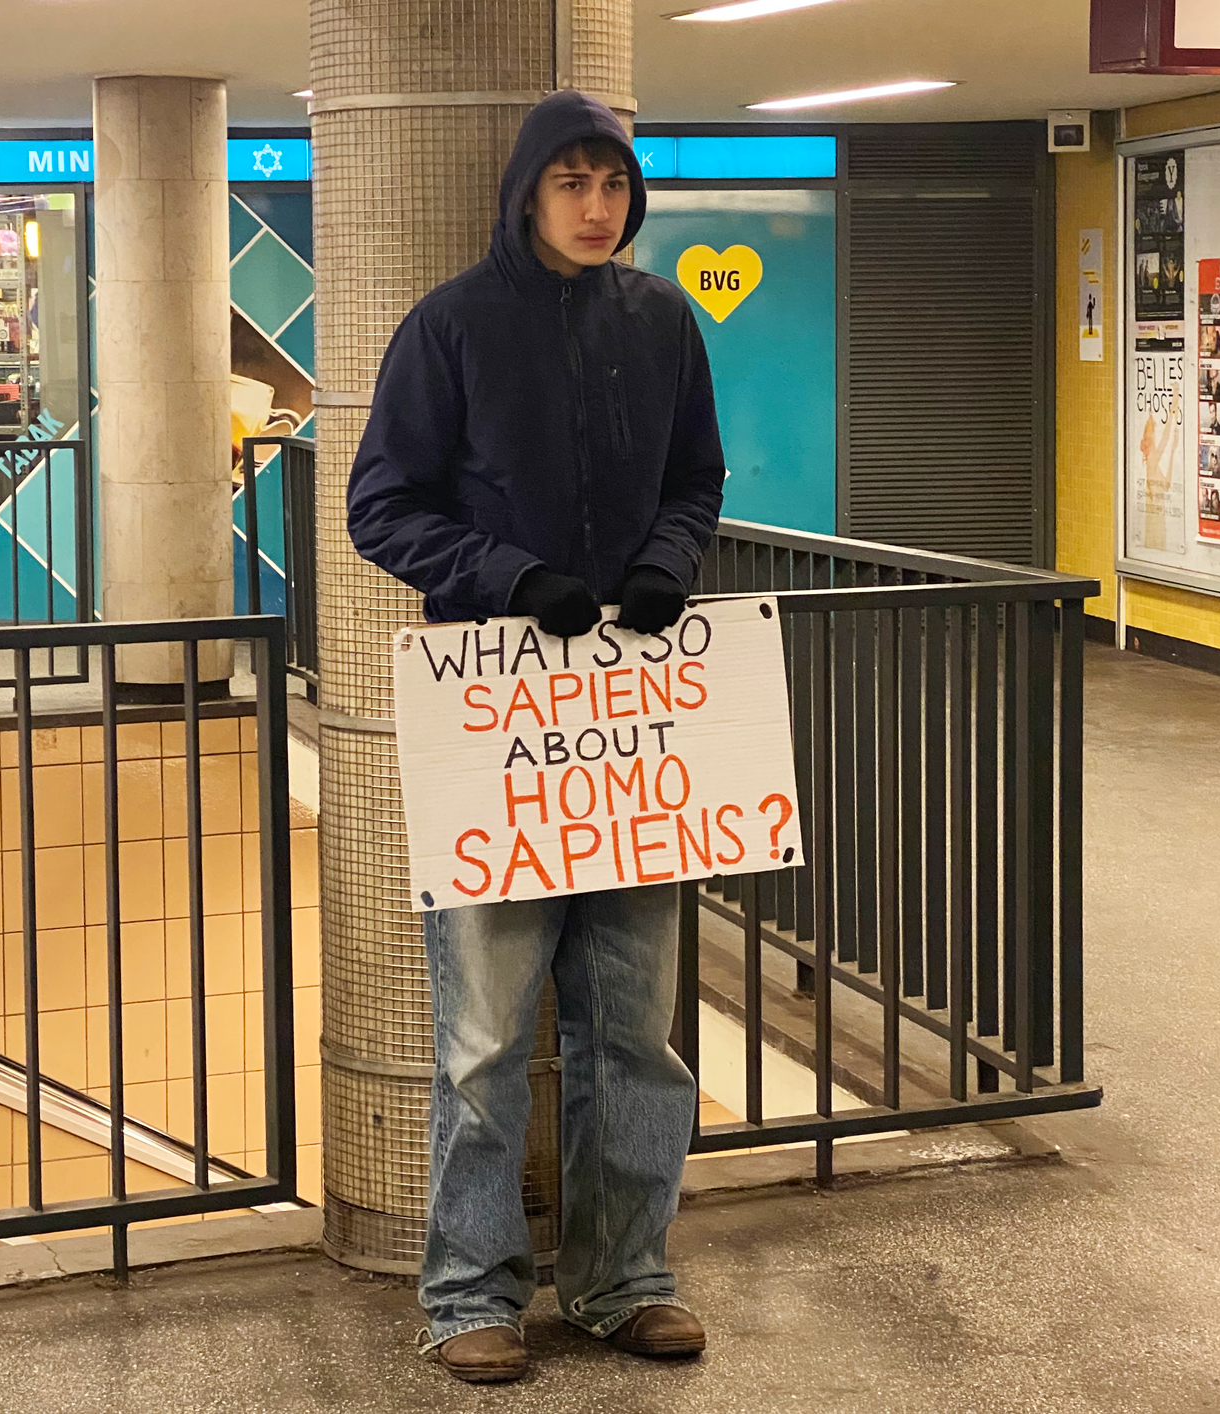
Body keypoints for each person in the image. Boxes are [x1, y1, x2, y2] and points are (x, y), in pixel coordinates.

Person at [347, 90, 726, 1384]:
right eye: (570, 182)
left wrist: (669, 562)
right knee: (486, 1035)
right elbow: (381, 506)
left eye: (613, 183)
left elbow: (695, 476)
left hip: (632, 734)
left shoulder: (665, 320)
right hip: (497, 728)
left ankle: (625, 1278)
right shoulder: (449, 327)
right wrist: (511, 576)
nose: (595, 205)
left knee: (635, 1029)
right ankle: (467, 1293)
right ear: (526, 192)